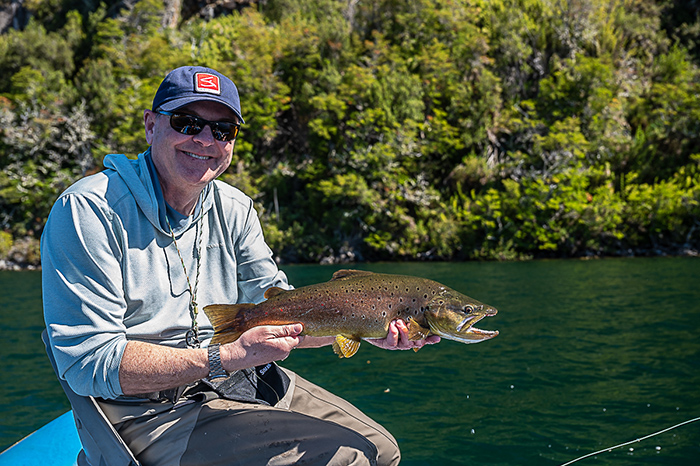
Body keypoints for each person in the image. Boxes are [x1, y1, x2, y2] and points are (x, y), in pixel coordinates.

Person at [42, 65, 440, 466]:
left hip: (240, 380)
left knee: (383, 450)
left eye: (222, 130)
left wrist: (365, 327)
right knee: (347, 459)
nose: (205, 140)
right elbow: (89, 364)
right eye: (187, 122)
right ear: (151, 125)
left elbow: (284, 312)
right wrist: (224, 357)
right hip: (148, 411)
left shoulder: (235, 208)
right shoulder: (89, 211)